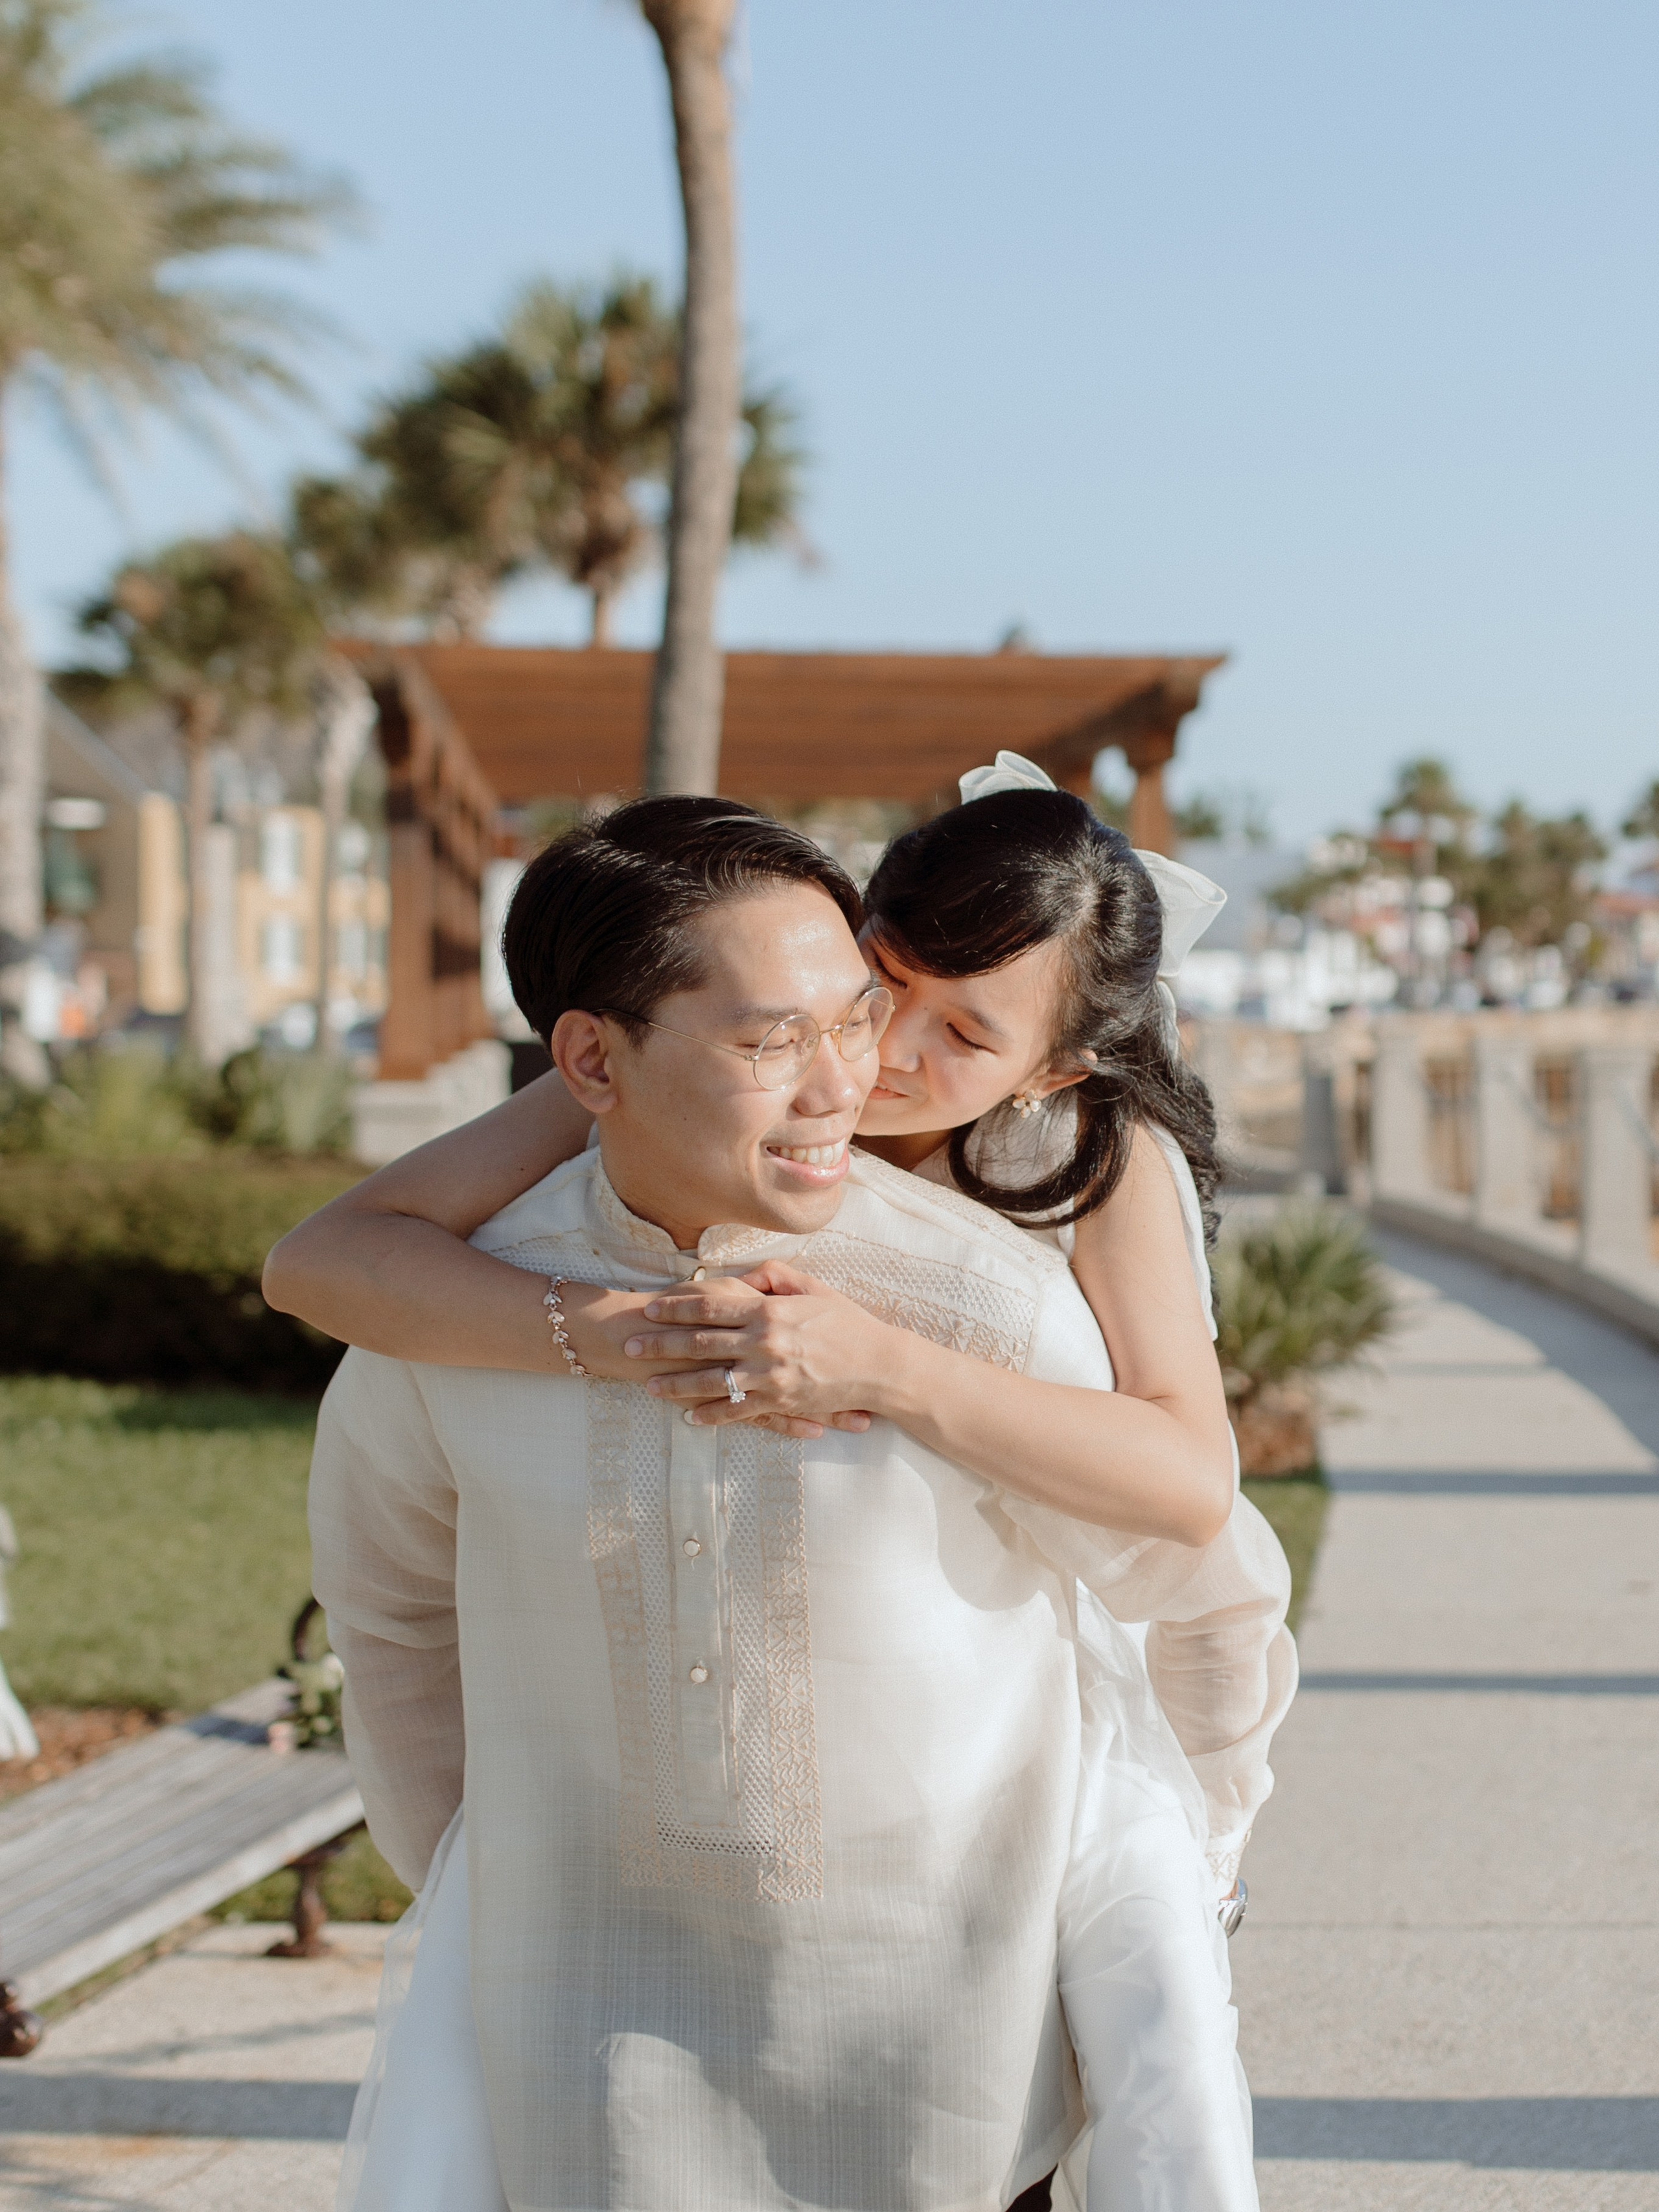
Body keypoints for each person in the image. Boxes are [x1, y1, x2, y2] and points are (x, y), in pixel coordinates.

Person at [288, 786, 1284, 2212]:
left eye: (964, 1037)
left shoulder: (1068, 1195)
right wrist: (495, 1881)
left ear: (1049, 1070)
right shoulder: (519, 1242)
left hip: (949, 2007)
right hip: (597, 2004)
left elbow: (1195, 1517)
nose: (867, 1067)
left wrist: (886, 1365)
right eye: (875, 995)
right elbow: (328, 1280)